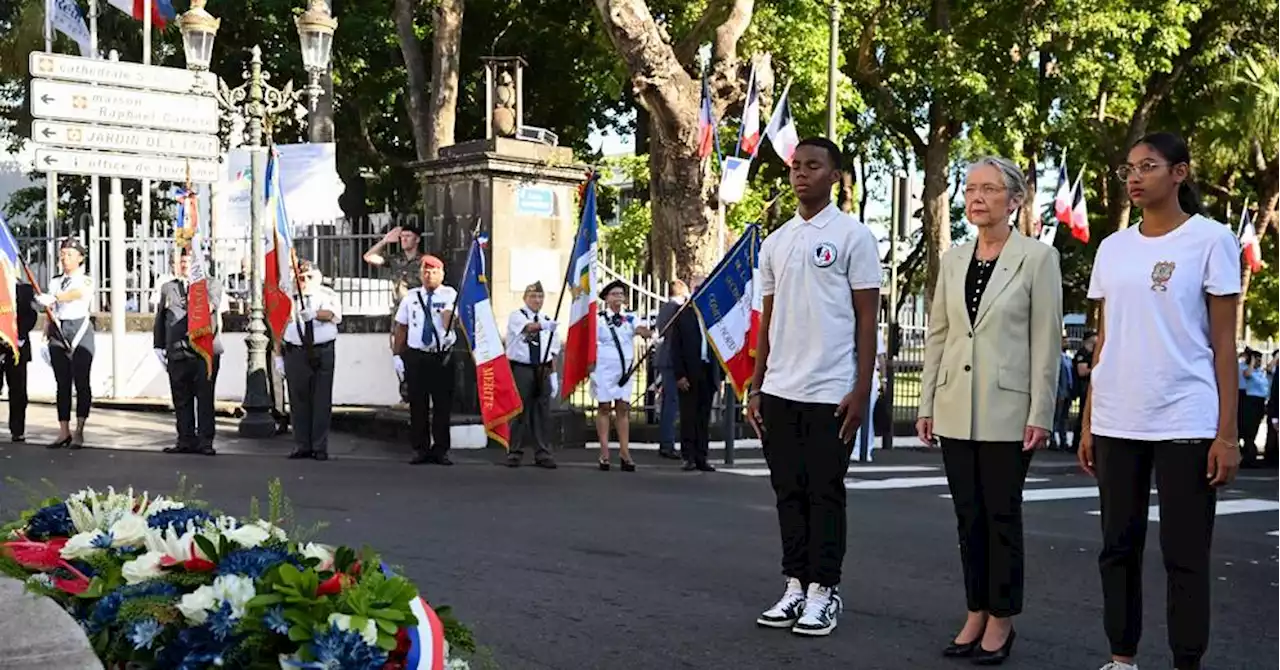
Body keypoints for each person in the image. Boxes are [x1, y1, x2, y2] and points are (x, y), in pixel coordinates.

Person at [1079, 132, 1241, 670]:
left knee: (1185, 555)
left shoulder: (1211, 240)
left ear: (1179, 173)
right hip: (1117, 416)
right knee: (1116, 549)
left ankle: (1186, 661)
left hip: (1186, 418)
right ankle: (1121, 657)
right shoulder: (1113, 247)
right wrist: (1087, 421)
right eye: (1129, 167)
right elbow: (1105, 340)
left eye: (1148, 166)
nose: (1134, 176)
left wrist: (1227, 433)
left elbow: (1224, 344)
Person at [916, 156, 1063, 664]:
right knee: (967, 517)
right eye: (970, 188)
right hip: (956, 405)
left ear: (1015, 199)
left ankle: (1002, 618)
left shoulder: (1038, 259)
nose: (976, 198)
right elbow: (939, 334)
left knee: (1002, 516)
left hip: (1009, 410)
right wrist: (928, 400)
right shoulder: (954, 258)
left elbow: (1047, 342)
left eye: (989, 189)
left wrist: (1040, 412)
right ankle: (975, 609)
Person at [747, 137, 880, 637]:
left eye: (814, 166)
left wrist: (861, 388)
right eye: (796, 166)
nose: (802, 173)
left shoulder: (854, 237)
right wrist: (756, 386)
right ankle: (795, 586)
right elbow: (768, 320)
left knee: (825, 493)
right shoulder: (776, 242)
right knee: (788, 492)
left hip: (831, 390)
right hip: (780, 389)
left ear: (835, 176)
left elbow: (867, 320)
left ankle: (825, 591)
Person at [153, 244, 225, 456]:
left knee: (204, 398)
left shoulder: (211, 284)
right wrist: (158, 345)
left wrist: (196, 286)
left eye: (189, 261)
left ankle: (205, 441)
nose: (184, 264)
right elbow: (161, 317)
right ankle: (185, 439)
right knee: (181, 398)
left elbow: (209, 306)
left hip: (203, 351)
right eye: (182, 261)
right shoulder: (168, 287)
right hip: (177, 350)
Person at [393, 254, 458, 465]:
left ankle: (441, 450)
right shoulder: (411, 297)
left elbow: (451, 317)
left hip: (441, 356)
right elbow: (401, 327)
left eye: (434, 272)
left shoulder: (449, 294)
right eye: (426, 272)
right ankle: (419, 448)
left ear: (442, 274)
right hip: (417, 355)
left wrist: (448, 316)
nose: (429, 276)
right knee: (418, 405)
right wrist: (397, 355)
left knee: (442, 405)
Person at [37, 237, 95, 449]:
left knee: (81, 382)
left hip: (79, 330)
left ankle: (80, 430)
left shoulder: (85, 279)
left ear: (80, 257)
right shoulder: (55, 281)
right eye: (62, 254)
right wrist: (45, 330)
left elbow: (78, 294)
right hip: (59, 331)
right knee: (62, 384)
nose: (65, 258)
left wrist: (55, 298)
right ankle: (64, 431)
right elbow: (51, 310)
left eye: (69, 254)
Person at [282, 261, 342, 461]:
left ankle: (319, 446)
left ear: (318, 277)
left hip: (321, 350)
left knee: (321, 399)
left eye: (309, 277)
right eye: (301, 277)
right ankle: (301, 445)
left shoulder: (327, 295)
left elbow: (334, 315)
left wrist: (315, 314)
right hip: (296, 351)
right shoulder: (288, 298)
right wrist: (277, 357)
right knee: (298, 400)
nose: (305, 281)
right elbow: (278, 327)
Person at [592, 278, 651, 472]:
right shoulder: (598, 318)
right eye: (614, 294)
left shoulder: (631, 318)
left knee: (623, 408)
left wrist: (645, 332)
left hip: (625, 370)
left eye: (621, 294)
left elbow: (643, 330)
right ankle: (604, 452)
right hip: (604, 369)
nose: (618, 297)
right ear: (606, 298)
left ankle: (625, 452)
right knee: (604, 408)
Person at [504, 281, 559, 468]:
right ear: (525, 298)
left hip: (542, 368)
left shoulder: (546, 319)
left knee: (542, 412)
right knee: (520, 411)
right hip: (522, 368)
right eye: (533, 296)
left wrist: (553, 374)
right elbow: (528, 328)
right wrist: (544, 326)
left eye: (540, 297)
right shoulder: (517, 316)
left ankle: (543, 452)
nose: (537, 300)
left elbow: (552, 351)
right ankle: (514, 451)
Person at [670, 275, 717, 472]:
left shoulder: (713, 315)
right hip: (689, 373)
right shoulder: (683, 315)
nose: (701, 290)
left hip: (708, 372)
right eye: (697, 287)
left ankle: (701, 457)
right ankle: (688, 456)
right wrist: (679, 375)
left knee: (703, 417)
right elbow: (676, 348)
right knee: (688, 416)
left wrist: (719, 376)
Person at [654, 279, 690, 460]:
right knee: (671, 402)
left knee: (672, 402)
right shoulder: (674, 308)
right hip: (670, 359)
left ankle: (669, 442)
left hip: (667, 358)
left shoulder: (666, 307)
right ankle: (667, 443)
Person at [1, 281, 37, 442]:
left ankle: (17, 429)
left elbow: (31, 315)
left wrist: (17, 336)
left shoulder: (22, 290)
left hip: (17, 347)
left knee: (18, 391)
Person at [1239, 349, 1269, 466]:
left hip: (1260, 403)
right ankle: (1248, 457)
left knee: (1254, 429)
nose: (1259, 362)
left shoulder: (1260, 372)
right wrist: (1251, 361)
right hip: (1250, 401)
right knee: (1249, 430)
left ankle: (1249, 455)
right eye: (1257, 360)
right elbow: (1247, 374)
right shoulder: (1246, 370)